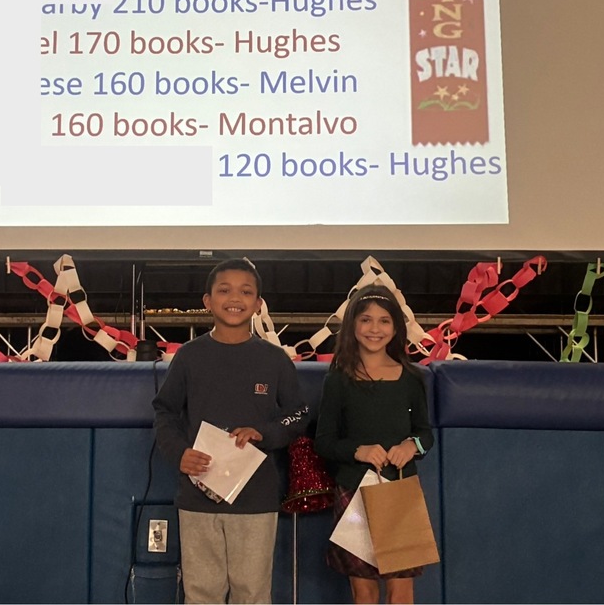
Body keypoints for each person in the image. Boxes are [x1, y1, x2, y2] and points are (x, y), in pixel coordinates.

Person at [152, 258, 309, 604]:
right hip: (197, 497)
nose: (234, 298)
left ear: (258, 303)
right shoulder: (190, 357)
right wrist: (179, 453)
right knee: (201, 593)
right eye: (224, 290)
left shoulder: (274, 359)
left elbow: (298, 413)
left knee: (252, 594)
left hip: (256, 499)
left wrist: (264, 433)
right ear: (207, 301)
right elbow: (164, 411)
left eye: (245, 291)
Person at [313, 284, 435, 605]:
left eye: (384, 321)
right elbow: (324, 442)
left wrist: (413, 446)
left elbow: (425, 434)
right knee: (363, 590)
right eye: (366, 320)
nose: (374, 329)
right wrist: (359, 450)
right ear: (353, 325)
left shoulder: (411, 378)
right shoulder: (337, 379)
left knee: (401, 589)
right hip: (353, 492)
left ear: (395, 328)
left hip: (399, 491)